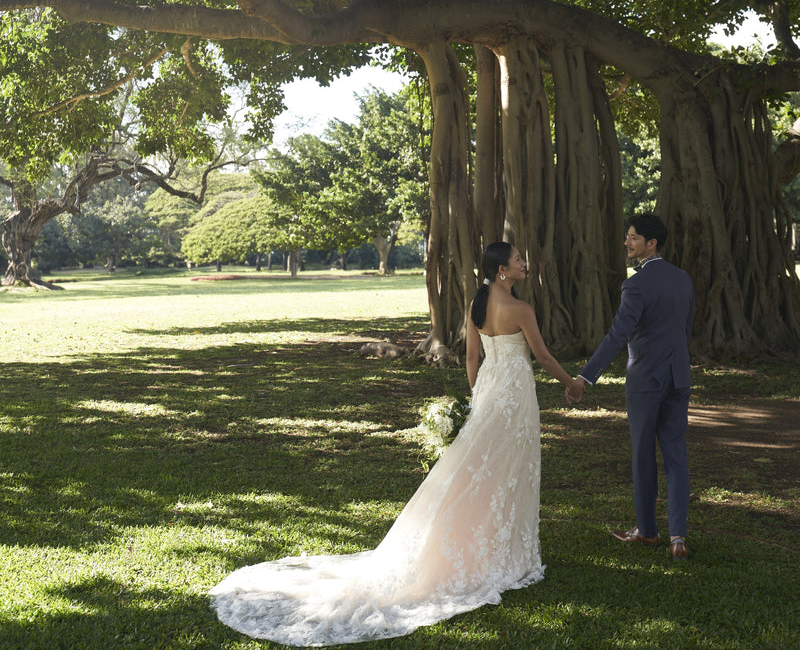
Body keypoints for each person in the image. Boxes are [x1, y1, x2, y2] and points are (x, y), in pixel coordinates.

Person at [210, 241, 584, 646]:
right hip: (514, 396)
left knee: (478, 468)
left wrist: (478, 398)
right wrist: (572, 383)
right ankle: (503, 549)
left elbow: (473, 359)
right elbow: (542, 357)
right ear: (502, 270)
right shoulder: (521, 309)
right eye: (517, 260)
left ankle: (486, 542)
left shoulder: (477, 306)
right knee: (507, 468)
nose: (524, 264)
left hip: (492, 391)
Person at [578, 214, 694, 559]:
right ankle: (678, 539)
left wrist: (586, 376)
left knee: (643, 456)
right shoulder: (683, 279)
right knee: (676, 457)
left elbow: (618, 334)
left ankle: (647, 531)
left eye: (633, 238)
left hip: (645, 380)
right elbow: (685, 330)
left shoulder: (636, 284)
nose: (627, 243)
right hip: (679, 377)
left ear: (651, 244)